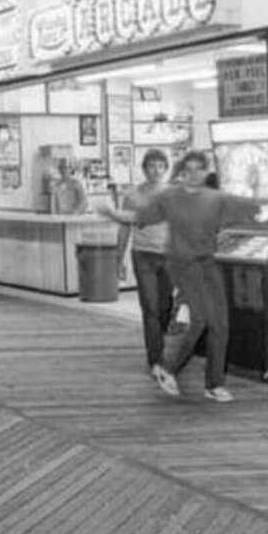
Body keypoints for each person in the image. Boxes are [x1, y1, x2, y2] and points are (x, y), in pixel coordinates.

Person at [99, 150, 268, 403]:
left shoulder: (214, 197)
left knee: (220, 324)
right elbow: (138, 217)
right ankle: (167, 367)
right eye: (189, 169)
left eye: (200, 169)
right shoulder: (170, 197)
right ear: (182, 172)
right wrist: (112, 214)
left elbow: (250, 203)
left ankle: (213, 384)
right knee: (198, 320)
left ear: (206, 172)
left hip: (207, 265)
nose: (194, 174)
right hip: (181, 265)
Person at [108, 149, 174, 373]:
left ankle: (161, 338)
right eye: (151, 166)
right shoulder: (133, 195)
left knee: (165, 306)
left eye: (160, 166)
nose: (155, 170)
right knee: (150, 306)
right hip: (142, 254)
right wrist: (118, 259)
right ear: (144, 169)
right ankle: (155, 356)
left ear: (166, 169)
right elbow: (124, 227)